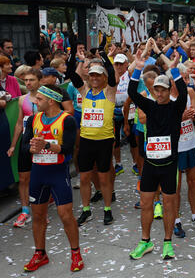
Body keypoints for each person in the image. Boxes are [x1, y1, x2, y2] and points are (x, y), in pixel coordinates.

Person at [128, 50, 186, 260]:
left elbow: (183, 91)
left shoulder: (176, 108)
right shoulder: (150, 107)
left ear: (169, 90)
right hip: (151, 165)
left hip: (170, 165)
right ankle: (146, 241)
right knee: (145, 204)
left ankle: (168, 242)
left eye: (163, 90)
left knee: (170, 205)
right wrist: (138, 66)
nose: (159, 93)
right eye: (156, 90)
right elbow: (133, 93)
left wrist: (173, 67)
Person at [21, 85, 83, 272]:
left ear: (51, 101)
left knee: (66, 215)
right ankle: (40, 254)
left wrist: (46, 144)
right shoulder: (33, 119)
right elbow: (24, 146)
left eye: (39, 99)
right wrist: (31, 149)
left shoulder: (67, 120)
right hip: (38, 173)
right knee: (38, 216)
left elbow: (69, 148)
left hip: (57, 172)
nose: (35, 102)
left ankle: (76, 253)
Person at [66, 38, 117, 226]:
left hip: (104, 140)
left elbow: (111, 73)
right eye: (92, 75)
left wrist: (102, 54)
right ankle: (86, 210)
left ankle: (107, 209)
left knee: (103, 177)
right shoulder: (85, 90)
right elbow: (71, 73)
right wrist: (74, 54)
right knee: (85, 177)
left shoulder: (110, 91)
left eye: (98, 75)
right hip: (87, 140)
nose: (94, 78)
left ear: (103, 78)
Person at [172, 64, 195, 238]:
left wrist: (194, 114)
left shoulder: (190, 93)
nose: (186, 82)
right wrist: (180, 117)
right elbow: (163, 120)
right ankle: (176, 220)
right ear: (173, 80)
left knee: (193, 182)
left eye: (187, 78)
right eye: (183, 78)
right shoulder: (167, 96)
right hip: (175, 148)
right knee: (177, 186)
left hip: (190, 144)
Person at [8, 69, 42, 228]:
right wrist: (14, 144)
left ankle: (39, 210)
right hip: (26, 142)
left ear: (39, 81)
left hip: (42, 142)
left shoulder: (46, 98)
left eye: (32, 80)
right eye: (26, 80)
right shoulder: (22, 99)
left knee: (40, 178)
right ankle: (25, 210)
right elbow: (19, 123)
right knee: (23, 178)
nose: (28, 83)